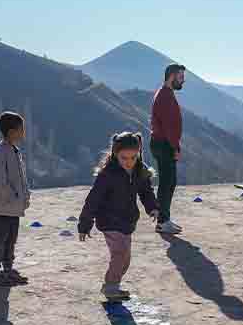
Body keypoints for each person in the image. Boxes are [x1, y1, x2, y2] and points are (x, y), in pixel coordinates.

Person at [78, 132, 159, 302]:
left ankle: (112, 284)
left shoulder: (139, 170)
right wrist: (85, 224)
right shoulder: (108, 175)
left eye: (133, 157)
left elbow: (146, 191)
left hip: (127, 222)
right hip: (109, 221)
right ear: (115, 154)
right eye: (124, 158)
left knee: (125, 260)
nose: (129, 162)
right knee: (119, 254)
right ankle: (111, 287)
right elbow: (93, 200)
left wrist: (152, 208)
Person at [0, 111, 30, 287]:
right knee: (0, 238)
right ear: (11, 132)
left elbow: (20, 177)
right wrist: (14, 196)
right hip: (4, 205)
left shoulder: (14, 150)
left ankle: (8, 269)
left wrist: (25, 195)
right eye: (21, 129)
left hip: (13, 206)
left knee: (11, 238)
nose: (23, 133)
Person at [149, 63, 186, 235]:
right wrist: (175, 147)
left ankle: (165, 219)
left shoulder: (165, 93)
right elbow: (169, 127)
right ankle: (162, 222)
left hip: (162, 143)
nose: (183, 81)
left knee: (169, 182)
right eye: (180, 77)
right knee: (167, 183)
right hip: (164, 144)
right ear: (172, 76)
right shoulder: (165, 96)